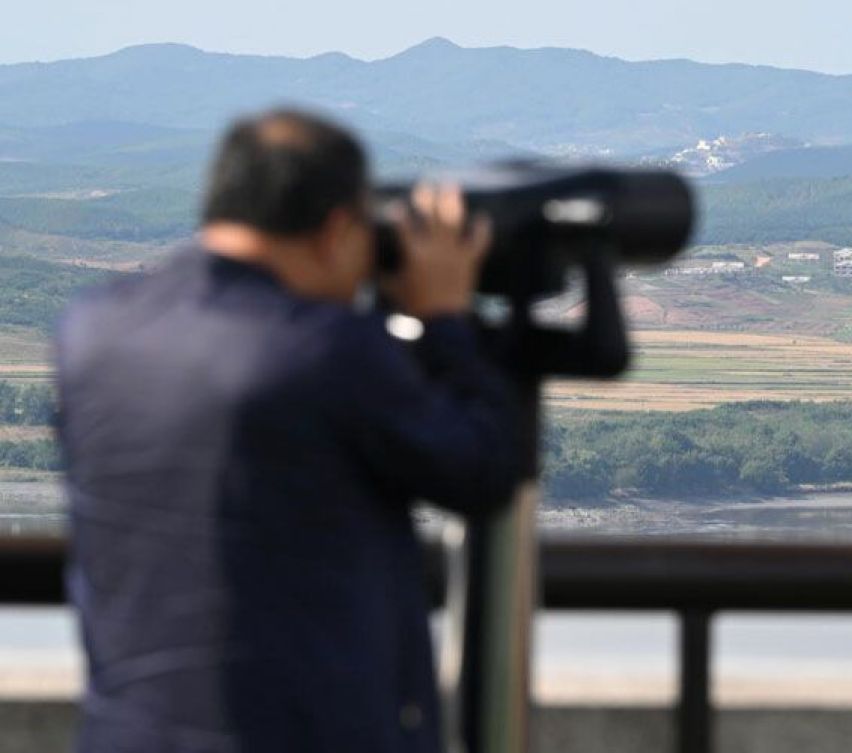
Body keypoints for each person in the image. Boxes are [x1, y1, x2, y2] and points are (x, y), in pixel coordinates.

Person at [55, 109, 518, 753]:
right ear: (336, 230)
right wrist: (444, 319)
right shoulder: (324, 350)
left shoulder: (92, 332)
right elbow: (484, 467)